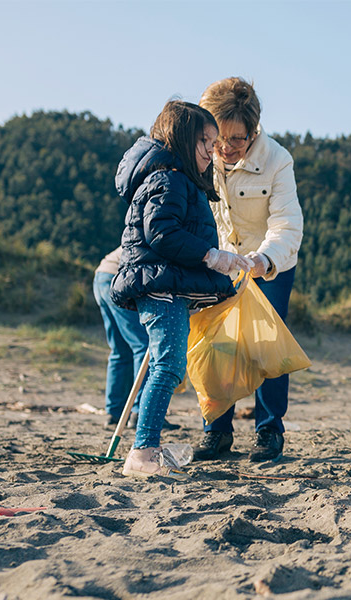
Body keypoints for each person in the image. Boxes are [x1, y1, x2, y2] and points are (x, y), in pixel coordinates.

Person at [111, 100, 253, 479]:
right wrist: (210, 256)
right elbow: (162, 233)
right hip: (160, 287)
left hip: (167, 285)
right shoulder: (168, 178)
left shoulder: (177, 179)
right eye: (205, 141)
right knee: (169, 365)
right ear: (180, 139)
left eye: (214, 141)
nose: (212, 149)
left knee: (167, 365)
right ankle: (142, 454)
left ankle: (148, 446)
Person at [193, 77, 304, 463]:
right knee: (216, 345)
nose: (225, 149)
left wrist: (263, 260)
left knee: (267, 346)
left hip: (269, 264)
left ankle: (269, 430)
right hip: (219, 264)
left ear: (253, 131)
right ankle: (216, 432)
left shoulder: (278, 159)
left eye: (237, 140)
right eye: (217, 140)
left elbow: (287, 223)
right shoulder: (201, 156)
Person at [93, 246, 179, 431]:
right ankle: (141, 412)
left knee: (120, 350)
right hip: (117, 278)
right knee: (143, 345)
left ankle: (114, 413)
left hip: (102, 275)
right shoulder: (169, 233)